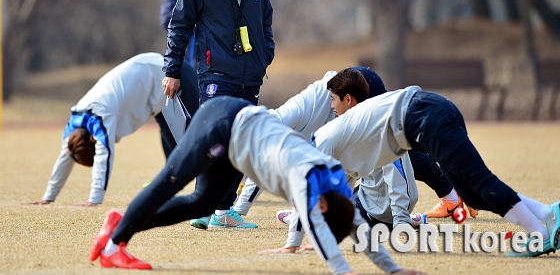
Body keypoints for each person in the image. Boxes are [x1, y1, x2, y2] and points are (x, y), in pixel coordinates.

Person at [88, 96, 425, 274]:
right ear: (321, 206)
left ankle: (122, 221)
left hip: (237, 136)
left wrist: (393, 270)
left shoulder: (334, 184)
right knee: (169, 182)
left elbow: (354, 224)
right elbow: (316, 225)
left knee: (205, 203)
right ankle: (115, 246)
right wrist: (342, 271)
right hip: (222, 124)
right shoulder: (304, 179)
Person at [312, 85, 560, 257]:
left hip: (426, 117)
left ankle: (538, 234)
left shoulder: (323, 141)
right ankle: (548, 213)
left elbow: (324, 185)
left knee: (481, 181)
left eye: (334, 99)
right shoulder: (339, 139)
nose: (332, 106)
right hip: (427, 115)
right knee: (472, 195)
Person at [162, 0, 274, 229]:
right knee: (214, 138)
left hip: (250, 74)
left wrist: (266, 55)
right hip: (215, 73)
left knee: (240, 140)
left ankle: (215, 209)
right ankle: (210, 206)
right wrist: (172, 70)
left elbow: (266, 22)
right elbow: (179, 26)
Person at [234, 68, 419, 236]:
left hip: (376, 212)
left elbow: (395, 172)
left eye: (333, 99)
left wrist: (400, 219)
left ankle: (307, 215)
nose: (332, 106)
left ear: (347, 99)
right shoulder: (354, 122)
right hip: (375, 202)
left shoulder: (372, 126)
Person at [21, 53, 198, 206]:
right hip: (158, 88)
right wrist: (49, 196)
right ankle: (173, 182)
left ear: (92, 139)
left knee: (196, 135)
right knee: (173, 141)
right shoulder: (77, 120)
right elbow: (65, 155)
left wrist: (94, 198)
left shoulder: (99, 113)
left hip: (171, 73)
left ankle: (213, 192)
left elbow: (104, 153)